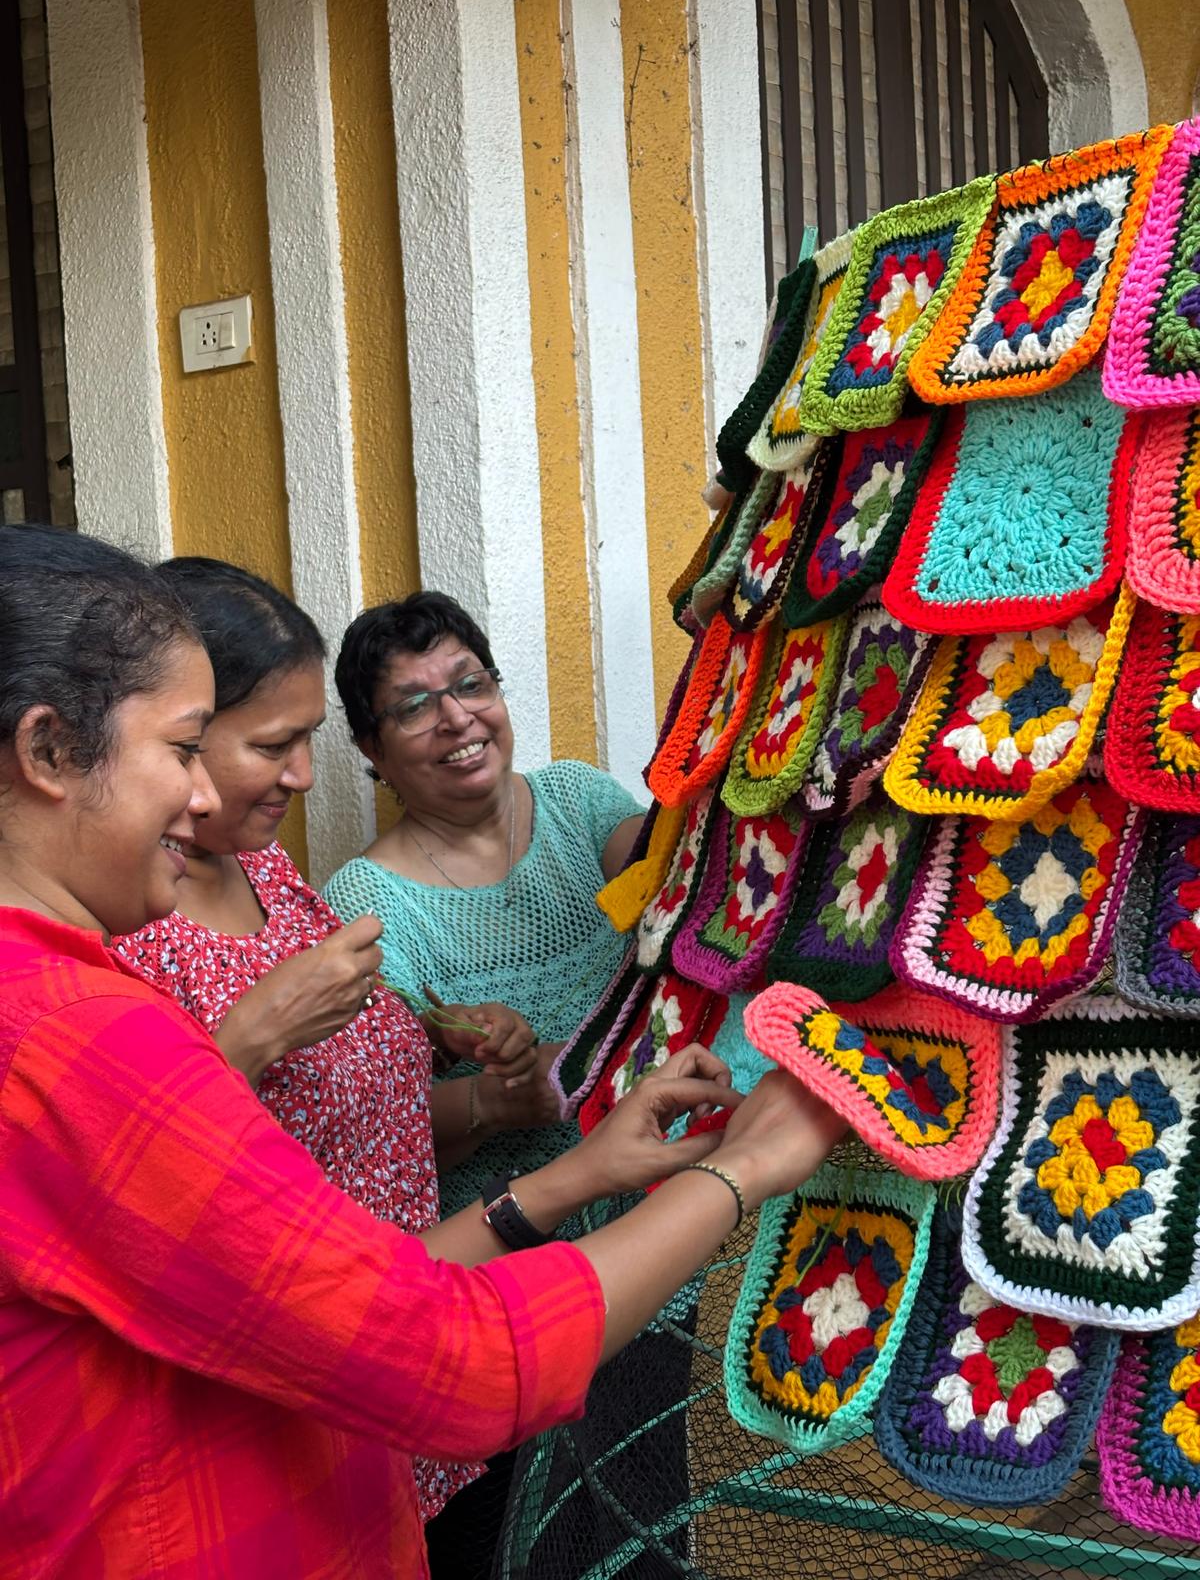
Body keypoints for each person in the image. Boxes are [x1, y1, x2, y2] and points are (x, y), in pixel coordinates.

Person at [0, 524, 845, 1579]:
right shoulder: (73, 1035)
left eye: (471, 684)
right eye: (184, 748)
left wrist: (569, 1171)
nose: (207, 796)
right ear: (46, 751)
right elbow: (455, 1359)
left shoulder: (84, 985)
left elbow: (332, 1284)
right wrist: (740, 1169)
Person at [112, 557, 545, 1521]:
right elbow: (140, 1198)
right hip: (306, 1407)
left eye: (308, 741)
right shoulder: (120, 923)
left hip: (426, 1371)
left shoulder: (272, 876)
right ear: (175, 735)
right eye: (274, 744)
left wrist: (469, 1079)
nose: (305, 778)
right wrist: (253, 1037)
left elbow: (359, 1134)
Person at [324, 591, 645, 1223]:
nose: (456, 718)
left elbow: (683, 884)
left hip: (671, 1186)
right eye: (415, 706)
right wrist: (501, 1099)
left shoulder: (578, 801)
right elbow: (375, 1122)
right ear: (372, 749)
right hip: (512, 1238)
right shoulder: (367, 901)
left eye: (471, 685)